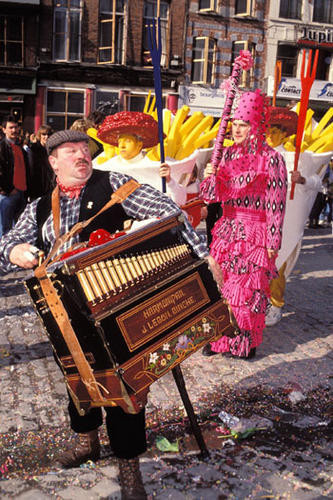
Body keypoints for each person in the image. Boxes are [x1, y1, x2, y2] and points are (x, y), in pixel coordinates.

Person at [0, 129, 208, 499]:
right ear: (53, 161)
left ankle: (129, 467)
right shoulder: (40, 206)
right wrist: (16, 251)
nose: (81, 156)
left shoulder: (114, 183)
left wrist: (200, 261)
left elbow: (169, 212)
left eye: (85, 150)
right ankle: (87, 442)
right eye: (70, 151)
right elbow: (7, 243)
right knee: (75, 375)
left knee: (127, 384)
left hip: (116, 301)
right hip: (65, 311)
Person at [200, 89, 287, 358]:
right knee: (219, 285)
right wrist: (209, 176)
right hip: (227, 229)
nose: (237, 130)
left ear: (256, 125)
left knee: (247, 290)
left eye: (243, 124)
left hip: (255, 233)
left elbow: (276, 203)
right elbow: (210, 197)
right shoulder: (224, 156)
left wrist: (273, 242)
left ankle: (244, 341)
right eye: (234, 124)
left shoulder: (272, 158)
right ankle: (218, 339)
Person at [265, 109, 331, 326]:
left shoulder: (295, 157)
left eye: (274, 131)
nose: (269, 135)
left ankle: (275, 304)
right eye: (266, 130)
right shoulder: (259, 155)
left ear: (284, 135)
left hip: (286, 221)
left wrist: (301, 179)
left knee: (278, 265)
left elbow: (317, 183)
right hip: (261, 221)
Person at [97, 111, 189, 206]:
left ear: (139, 144)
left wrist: (170, 181)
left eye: (127, 141)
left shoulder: (159, 165)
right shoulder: (108, 167)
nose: (122, 146)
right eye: (120, 142)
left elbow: (180, 200)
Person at [0, 115, 30, 238]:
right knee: (5, 229)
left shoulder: (20, 148)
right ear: (3, 129)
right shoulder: (1, 147)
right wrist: (6, 190)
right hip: (8, 194)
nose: (14, 130)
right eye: (11, 127)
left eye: (16, 127)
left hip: (21, 193)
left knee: (19, 229)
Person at [28, 125, 55, 201]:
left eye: (49, 134)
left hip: (49, 188)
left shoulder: (52, 150)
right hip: (36, 187)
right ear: (39, 135)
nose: (46, 137)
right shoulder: (33, 149)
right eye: (44, 134)